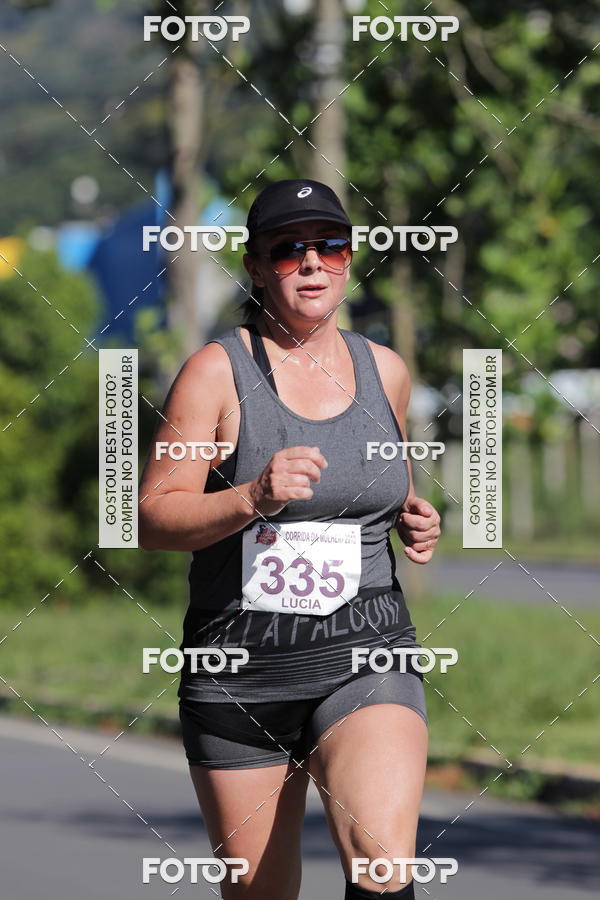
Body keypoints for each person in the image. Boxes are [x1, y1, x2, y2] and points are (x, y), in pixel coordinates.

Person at [138, 178, 441, 900]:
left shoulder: (385, 371)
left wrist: (414, 516)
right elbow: (151, 517)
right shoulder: (217, 373)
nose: (311, 262)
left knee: (382, 858)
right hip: (241, 669)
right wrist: (251, 496)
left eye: (329, 246)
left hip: (365, 651)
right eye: (287, 248)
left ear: (348, 260)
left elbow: (384, 487)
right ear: (255, 266)